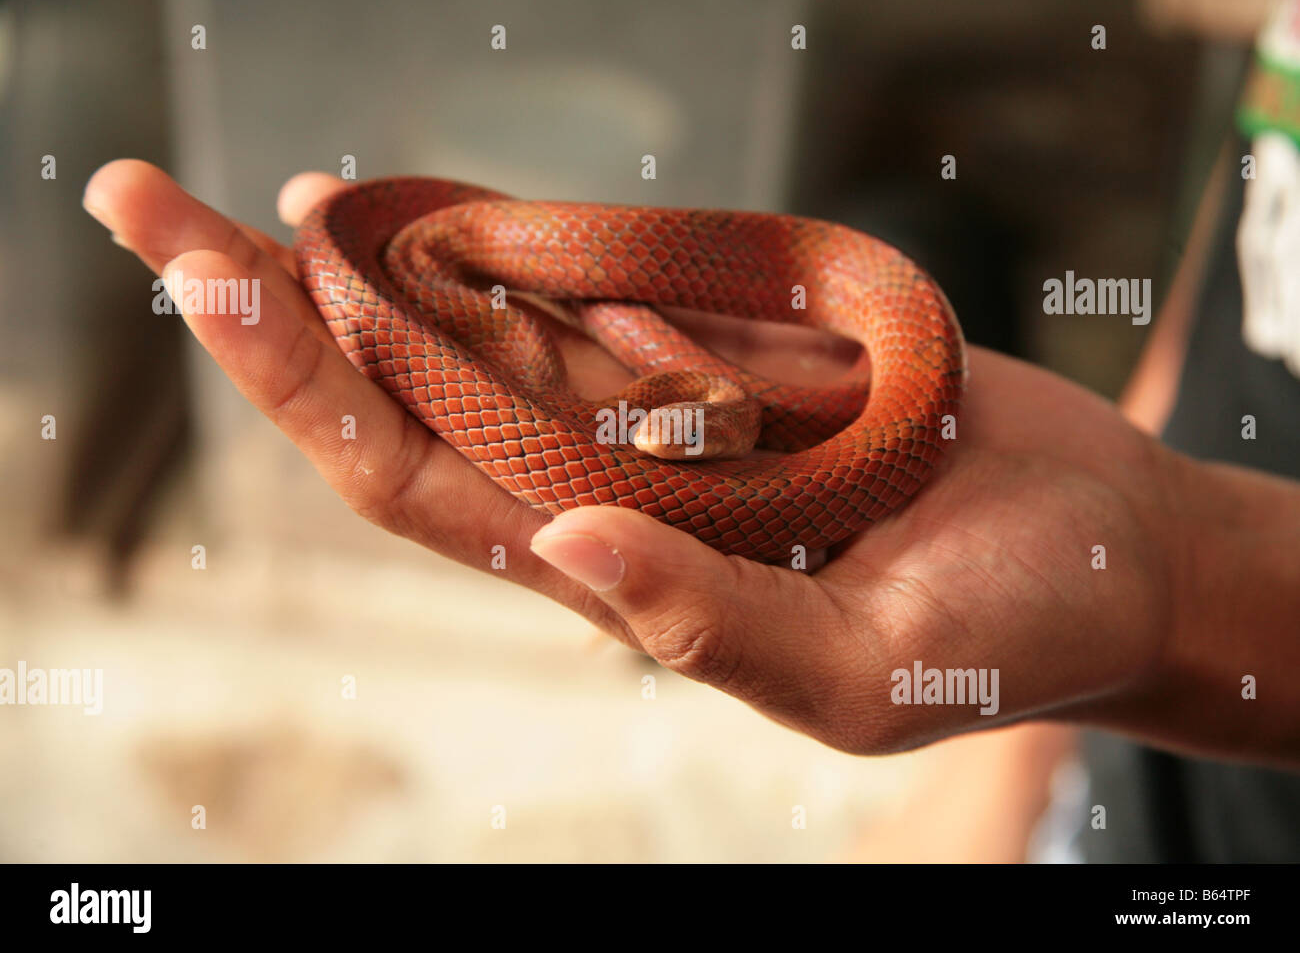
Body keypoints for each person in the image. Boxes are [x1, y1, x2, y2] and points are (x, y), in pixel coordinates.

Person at [81, 154, 1300, 855]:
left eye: (692, 432)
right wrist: (1038, 729)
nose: (670, 450)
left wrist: (1180, 579)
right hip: (1123, 790)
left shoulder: (701, 405)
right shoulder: (519, 338)